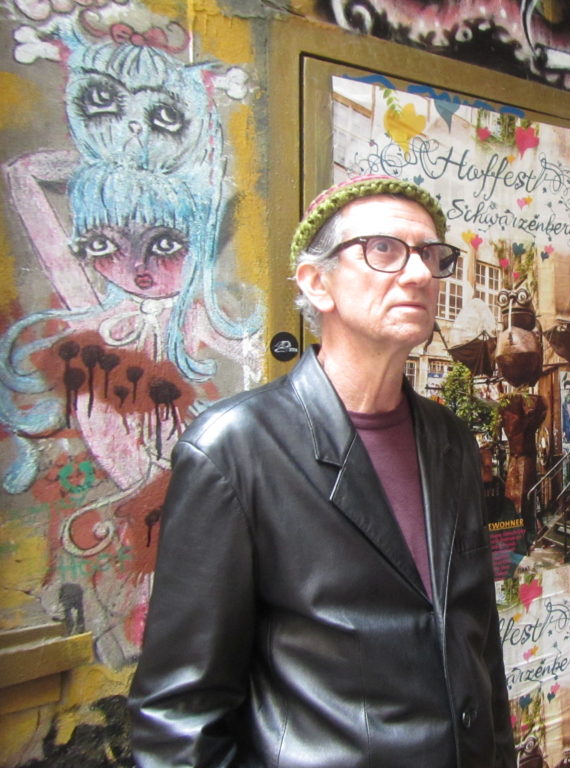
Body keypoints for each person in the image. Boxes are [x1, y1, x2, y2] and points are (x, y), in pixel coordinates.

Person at [129, 174, 516, 767]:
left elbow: (479, 644)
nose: (419, 273)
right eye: (384, 249)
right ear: (317, 282)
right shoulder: (236, 448)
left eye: (431, 255)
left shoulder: (451, 441)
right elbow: (179, 713)